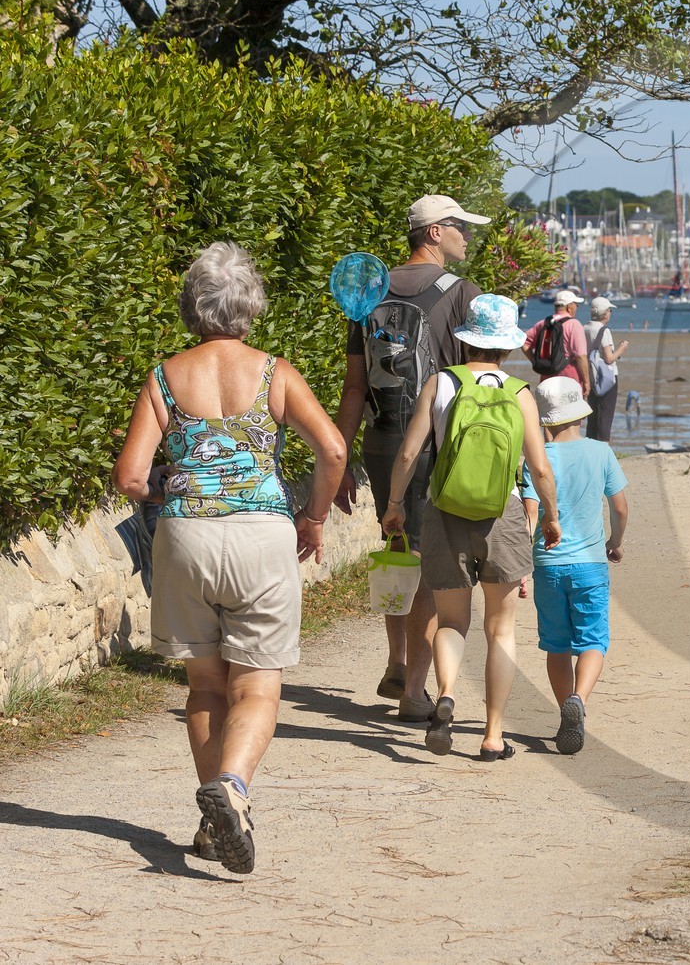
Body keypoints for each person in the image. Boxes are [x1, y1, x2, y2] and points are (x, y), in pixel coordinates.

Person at [112, 241, 346, 874]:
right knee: (258, 687)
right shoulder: (276, 373)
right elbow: (331, 451)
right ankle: (235, 792)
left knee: (206, 687)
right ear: (251, 305)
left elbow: (131, 477)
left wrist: (168, 483)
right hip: (262, 538)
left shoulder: (164, 377)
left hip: (186, 540)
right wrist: (315, 516)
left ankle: (212, 824)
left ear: (194, 305)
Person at [382, 294, 560, 761]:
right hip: (501, 517)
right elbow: (540, 469)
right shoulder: (520, 393)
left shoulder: (441, 383)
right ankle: (493, 736)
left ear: (466, 340)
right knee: (500, 629)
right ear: (507, 345)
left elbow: (407, 453)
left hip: (444, 512)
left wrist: (395, 505)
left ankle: (445, 695)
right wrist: (552, 516)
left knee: (452, 621)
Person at [333, 194, 488, 723]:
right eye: (461, 228)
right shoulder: (463, 294)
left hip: (380, 443)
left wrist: (338, 461)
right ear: (435, 233)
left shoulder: (367, 291)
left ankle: (398, 658)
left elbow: (355, 388)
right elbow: (474, 383)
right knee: (428, 564)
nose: (469, 236)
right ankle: (415, 692)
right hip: (432, 446)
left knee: (397, 548)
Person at [532, 377, 628, 755]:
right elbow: (619, 507)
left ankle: (564, 711)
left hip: (548, 564)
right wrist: (615, 543)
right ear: (579, 414)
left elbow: (527, 512)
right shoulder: (601, 452)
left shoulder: (537, 457)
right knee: (592, 641)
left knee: (557, 646)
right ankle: (580, 701)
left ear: (544, 420)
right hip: (589, 564)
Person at [522, 289, 591, 405]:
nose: (577, 308)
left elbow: (523, 341)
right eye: (576, 305)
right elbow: (580, 356)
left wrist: (535, 361)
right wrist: (586, 382)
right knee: (571, 419)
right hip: (569, 378)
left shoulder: (543, 323)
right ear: (569, 307)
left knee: (551, 418)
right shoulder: (574, 325)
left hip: (546, 377)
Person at [583, 296, 628, 442]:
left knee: (593, 415)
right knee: (606, 415)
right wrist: (622, 348)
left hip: (591, 375)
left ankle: (590, 446)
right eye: (609, 310)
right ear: (605, 313)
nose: (610, 313)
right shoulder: (604, 331)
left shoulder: (585, 328)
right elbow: (608, 358)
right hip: (606, 378)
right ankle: (603, 449)